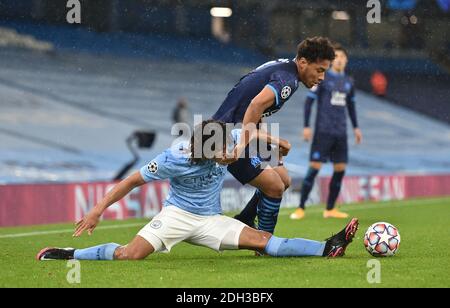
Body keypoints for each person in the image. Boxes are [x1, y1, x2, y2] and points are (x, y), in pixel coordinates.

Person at [37, 120, 358, 261]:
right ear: (203, 151)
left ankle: (327, 247)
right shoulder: (173, 159)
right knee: (129, 255)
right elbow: (131, 181)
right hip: (176, 216)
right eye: (221, 154)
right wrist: (96, 210)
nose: (228, 157)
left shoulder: (225, 143)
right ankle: (70, 254)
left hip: (209, 219)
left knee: (262, 242)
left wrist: (277, 142)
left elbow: (246, 131)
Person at [212, 37, 336, 233]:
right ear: (303, 62)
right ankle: (264, 242)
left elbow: (254, 109)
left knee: (284, 179)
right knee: (275, 187)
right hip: (224, 135)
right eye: (320, 70)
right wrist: (241, 146)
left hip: (240, 131)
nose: (322, 78)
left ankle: (245, 218)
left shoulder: (285, 67)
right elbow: (255, 105)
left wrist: (273, 142)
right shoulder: (289, 80)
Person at [290, 44, 363, 220]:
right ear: (332, 60)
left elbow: (351, 106)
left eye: (342, 56)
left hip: (340, 133)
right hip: (323, 131)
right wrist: (306, 126)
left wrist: (356, 128)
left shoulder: (348, 82)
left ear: (346, 60)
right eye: (336, 56)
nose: (339, 59)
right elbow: (309, 102)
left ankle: (330, 209)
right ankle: (301, 208)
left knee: (340, 170)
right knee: (314, 168)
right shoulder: (323, 78)